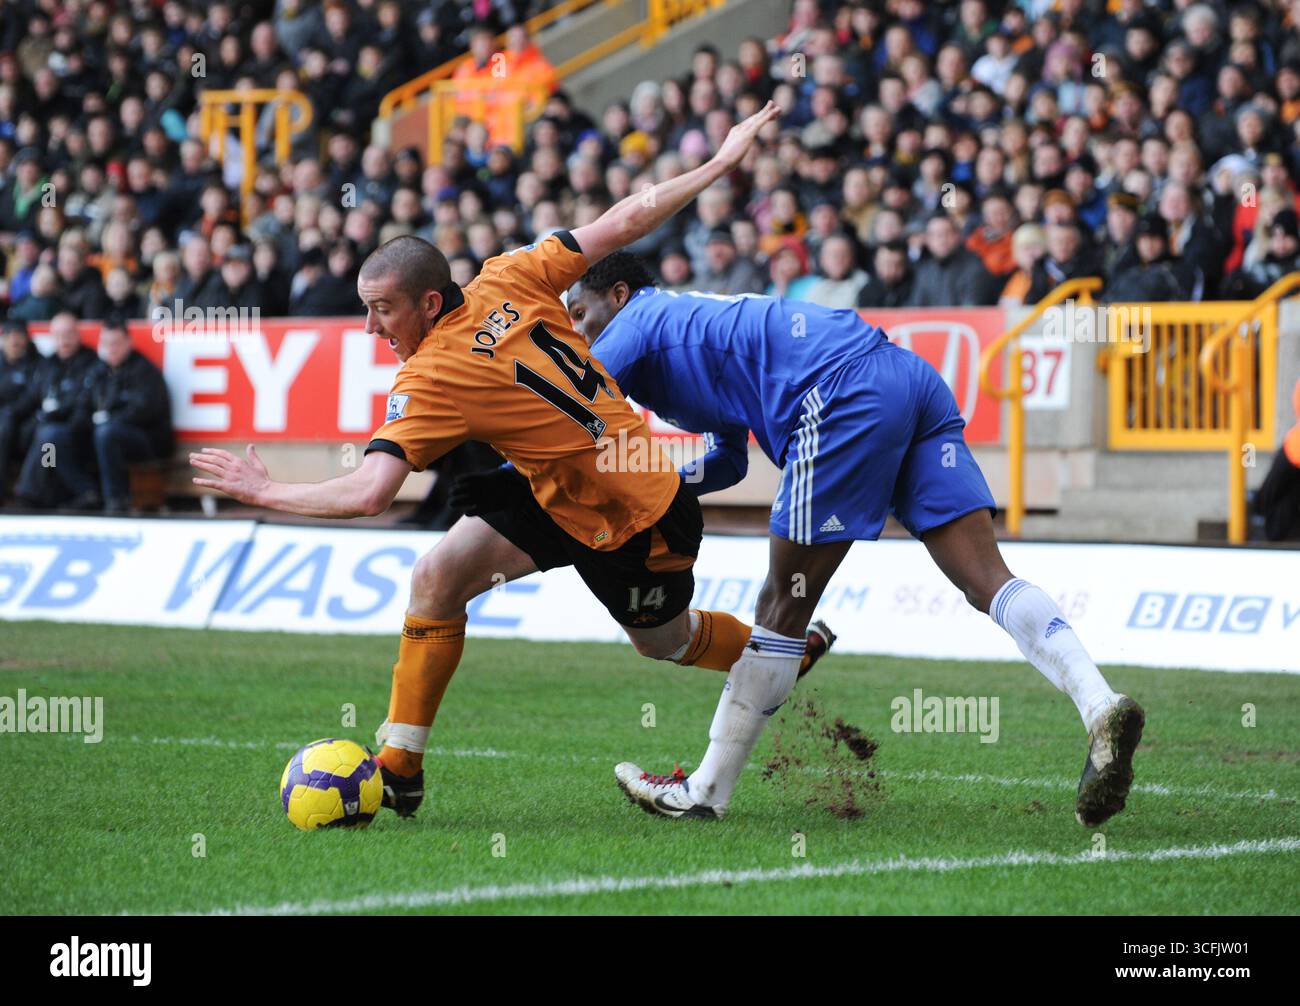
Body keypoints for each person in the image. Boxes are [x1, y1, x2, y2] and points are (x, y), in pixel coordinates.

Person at [190, 104, 804, 821]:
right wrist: (719, 162)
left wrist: (266, 491)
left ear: (425, 301)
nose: (369, 328)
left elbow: (369, 493)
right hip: (562, 488)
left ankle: (781, 651)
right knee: (438, 575)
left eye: (381, 311)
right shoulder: (510, 271)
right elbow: (629, 216)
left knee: (664, 643)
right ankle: (400, 767)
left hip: (642, 512)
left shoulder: (430, 378)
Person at [545, 252, 1145, 825]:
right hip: (905, 379)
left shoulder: (641, 319)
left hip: (838, 394)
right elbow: (726, 460)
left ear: (618, 295)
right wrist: (660, 484)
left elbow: (567, 402)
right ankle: (1100, 705)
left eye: (578, 311)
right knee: (987, 579)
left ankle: (704, 792)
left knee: (781, 606)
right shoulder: (683, 331)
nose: (575, 328)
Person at [82, 318, 174, 513]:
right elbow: (83, 405)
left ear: (128, 343)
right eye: (106, 344)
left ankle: (116, 500)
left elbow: (143, 412)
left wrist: (107, 419)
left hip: (147, 440)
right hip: (107, 434)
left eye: (116, 343)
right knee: (56, 437)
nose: (111, 349)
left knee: (106, 433)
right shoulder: (99, 371)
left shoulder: (145, 371)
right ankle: (85, 493)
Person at [12, 311, 100, 508]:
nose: (64, 339)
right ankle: (63, 493)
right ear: (52, 337)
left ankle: (29, 492)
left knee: (49, 437)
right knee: (44, 437)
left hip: (81, 430)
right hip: (50, 433)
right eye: (59, 335)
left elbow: (84, 404)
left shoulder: (92, 363)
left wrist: (52, 414)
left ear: (78, 334)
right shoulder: (48, 364)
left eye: (68, 333)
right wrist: (12, 412)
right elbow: (32, 397)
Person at [0, 319, 45, 503]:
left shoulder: (39, 363)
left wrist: (12, 411)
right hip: (6, 420)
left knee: (49, 443)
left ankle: (34, 492)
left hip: (29, 420)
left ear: (27, 340)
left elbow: (35, 396)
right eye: (10, 337)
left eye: (19, 337)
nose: (14, 342)